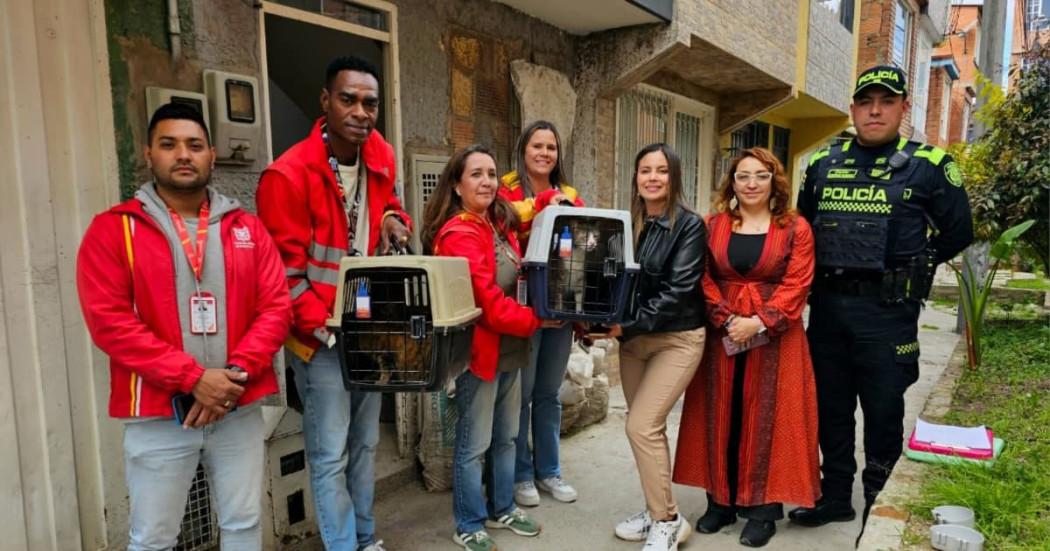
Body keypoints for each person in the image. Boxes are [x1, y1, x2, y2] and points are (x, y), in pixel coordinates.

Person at [76, 103, 292, 550]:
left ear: (211, 155)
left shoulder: (246, 228)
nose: (183, 154)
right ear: (148, 153)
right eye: (169, 144)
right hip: (158, 412)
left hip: (238, 408)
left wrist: (229, 379)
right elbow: (110, 323)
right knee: (154, 537)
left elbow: (275, 308)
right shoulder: (114, 231)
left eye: (194, 145)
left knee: (243, 523)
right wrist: (193, 378)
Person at [792, 65, 974, 535]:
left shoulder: (931, 163)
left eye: (886, 101)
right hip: (829, 309)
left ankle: (879, 499)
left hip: (888, 313)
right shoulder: (821, 163)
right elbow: (803, 229)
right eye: (866, 101)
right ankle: (835, 497)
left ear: (902, 108)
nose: (875, 110)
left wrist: (920, 262)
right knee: (830, 409)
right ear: (852, 108)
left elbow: (959, 230)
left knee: (882, 409)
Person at [256, 55, 412, 551]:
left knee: (364, 445)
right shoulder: (287, 176)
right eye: (348, 99)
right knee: (330, 456)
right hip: (320, 339)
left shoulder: (378, 156)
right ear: (325, 102)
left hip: (370, 329)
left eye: (370, 103)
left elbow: (388, 202)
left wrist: (391, 216)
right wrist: (328, 329)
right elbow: (285, 277)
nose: (361, 112)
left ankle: (365, 540)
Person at [673, 147, 819, 548]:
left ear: (774, 182)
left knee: (769, 416)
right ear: (731, 183)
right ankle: (719, 502)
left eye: (760, 176)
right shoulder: (713, 224)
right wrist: (726, 319)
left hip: (777, 335)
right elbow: (700, 276)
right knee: (721, 412)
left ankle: (762, 510)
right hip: (723, 333)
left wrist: (761, 322)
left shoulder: (794, 228)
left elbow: (798, 283)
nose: (751, 183)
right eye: (743, 176)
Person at [423, 144, 561, 551]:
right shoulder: (460, 233)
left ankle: (502, 508)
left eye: (491, 174)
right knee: (474, 444)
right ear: (456, 184)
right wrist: (538, 320)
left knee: (507, 437)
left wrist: (555, 197)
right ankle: (468, 522)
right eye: (476, 174)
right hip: (479, 353)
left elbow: (530, 208)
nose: (486, 181)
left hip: (510, 349)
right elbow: (487, 304)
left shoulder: (494, 224)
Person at [601, 144, 707, 551]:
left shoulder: (690, 225)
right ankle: (656, 508)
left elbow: (678, 292)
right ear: (636, 176)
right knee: (649, 430)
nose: (652, 178)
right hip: (634, 342)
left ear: (673, 177)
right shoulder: (627, 224)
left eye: (661, 171)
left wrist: (622, 324)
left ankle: (665, 520)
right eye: (645, 170)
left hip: (676, 338)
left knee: (640, 425)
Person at [500, 120, 584, 507]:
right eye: (538, 145)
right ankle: (520, 475)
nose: (544, 153)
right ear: (524, 148)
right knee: (523, 393)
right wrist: (542, 204)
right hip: (521, 304)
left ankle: (549, 471)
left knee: (549, 393)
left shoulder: (570, 193)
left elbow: (582, 238)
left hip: (561, 302)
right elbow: (504, 224)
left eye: (551, 147)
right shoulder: (505, 187)